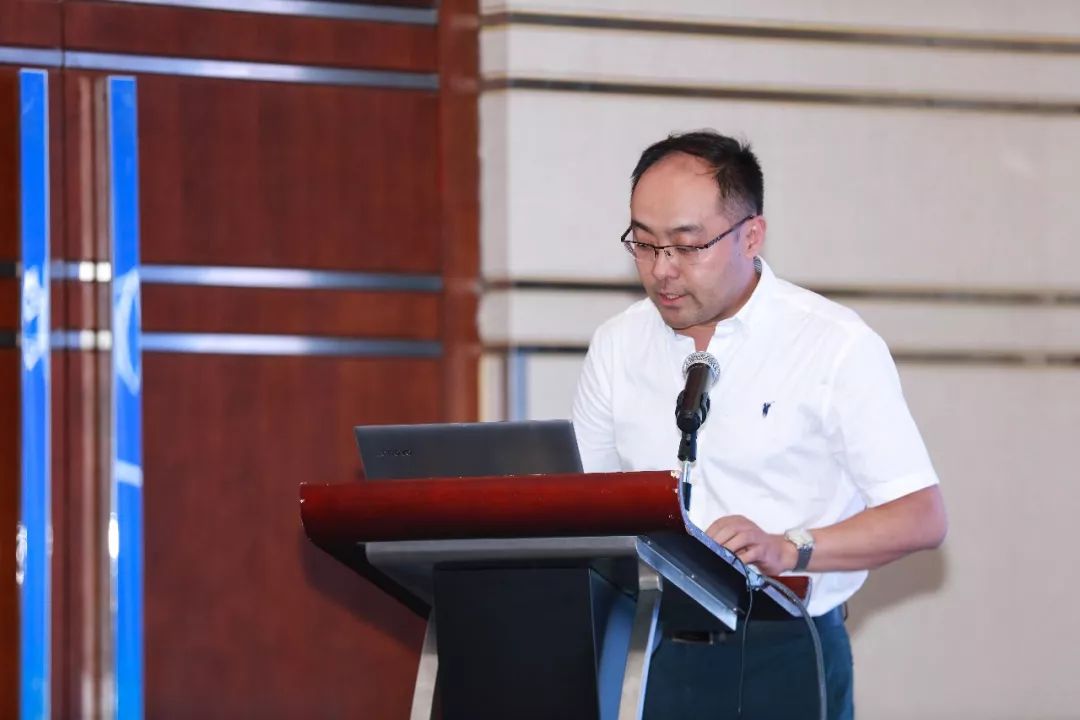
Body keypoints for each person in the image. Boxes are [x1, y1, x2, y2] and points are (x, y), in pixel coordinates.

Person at [572, 131, 947, 719]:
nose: (662, 270)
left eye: (687, 246)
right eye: (643, 244)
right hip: (645, 649)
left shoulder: (833, 344)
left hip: (782, 649)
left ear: (751, 235)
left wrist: (790, 548)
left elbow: (921, 516)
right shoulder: (617, 344)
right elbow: (583, 507)